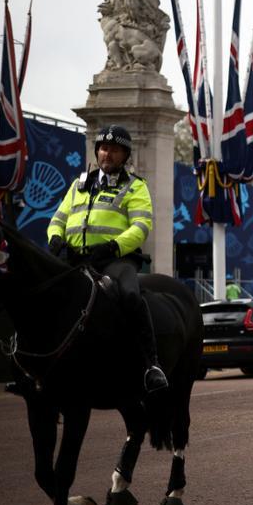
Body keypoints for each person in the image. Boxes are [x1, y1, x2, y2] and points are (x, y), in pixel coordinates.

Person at [46, 124, 168, 393]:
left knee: (131, 296)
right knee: (41, 292)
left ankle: (151, 364)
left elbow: (140, 227)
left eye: (114, 150)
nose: (107, 154)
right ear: (97, 151)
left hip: (113, 260)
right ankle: (33, 366)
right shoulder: (78, 185)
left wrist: (113, 247)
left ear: (125, 155)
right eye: (103, 148)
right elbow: (58, 219)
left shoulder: (136, 187)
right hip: (74, 258)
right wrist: (55, 237)